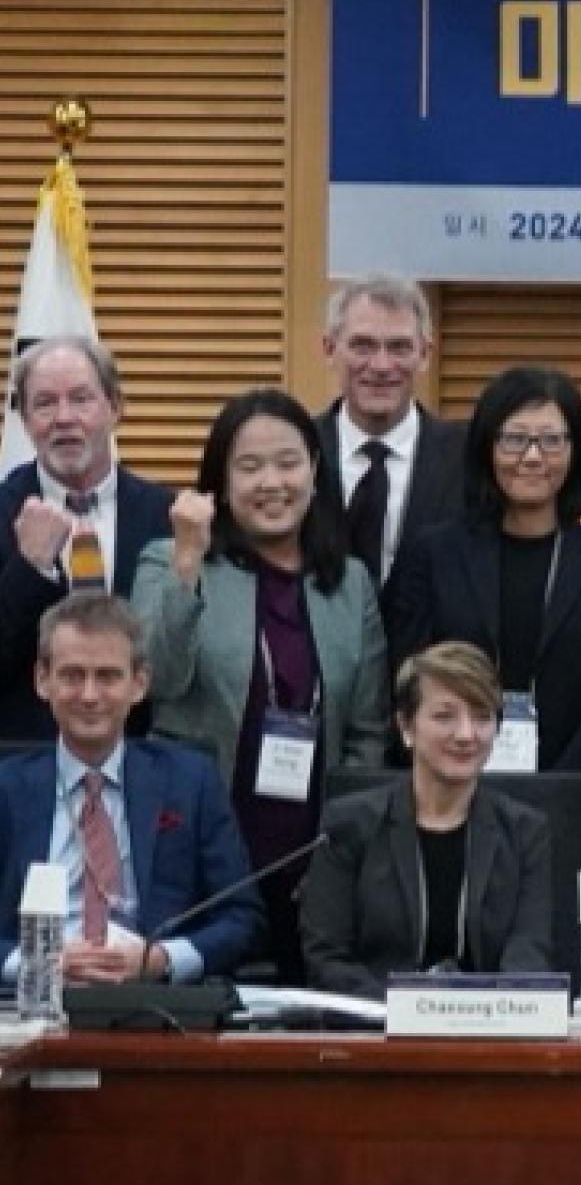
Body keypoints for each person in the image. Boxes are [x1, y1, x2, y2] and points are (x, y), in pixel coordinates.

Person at [128, 387, 391, 981]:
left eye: (288, 462)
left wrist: (341, 844)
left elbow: (368, 732)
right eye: (249, 467)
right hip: (203, 846)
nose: (271, 482)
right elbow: (155, 679)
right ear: (219, 479)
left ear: (316, 470)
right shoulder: (164, 560)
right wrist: (187, 564)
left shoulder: (348, 582)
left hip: (315, 856)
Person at [382, 365, 581, 784]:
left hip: (572, 799)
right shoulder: (432, 554)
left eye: (551, 441)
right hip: (447, 788)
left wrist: (552, 789)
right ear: (487, 448)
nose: (532, 457)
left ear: (575, 451)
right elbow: (406, 679)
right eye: (514, 439)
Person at [0, 592, 259, 982]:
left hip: (152, 1008)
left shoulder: (191, 782)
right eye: (72, 675)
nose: (89, 695)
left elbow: (242, 917)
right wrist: (38, 963)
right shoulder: (6, 789)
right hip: (31, 1006)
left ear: (139, 684)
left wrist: (161, 960)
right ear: (42, 680)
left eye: (107, 676)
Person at [300, 641, 555, 995]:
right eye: (445, 716)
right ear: (406, 726)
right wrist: (410, 1011)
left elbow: (530, 954)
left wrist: (485, 1014)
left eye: (482, 716)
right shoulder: (349, 824)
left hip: (490, 1033)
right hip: (376, 1030)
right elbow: (326, 959)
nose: (466, 734)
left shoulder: (525, 831)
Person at [0, 335, 173, 744]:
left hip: (138, 759)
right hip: (21, 765)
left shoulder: (164, 515)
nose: (64, 418)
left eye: (81, 399)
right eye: (44, 403)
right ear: (25, 420)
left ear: (115, 407)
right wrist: (29, 569)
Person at [313, 275, 467, 588]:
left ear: (425, 355)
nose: (382, 365)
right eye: (362, 346)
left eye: (399, 347)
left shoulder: (470, 457)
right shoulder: (297, 449)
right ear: (329, 349)